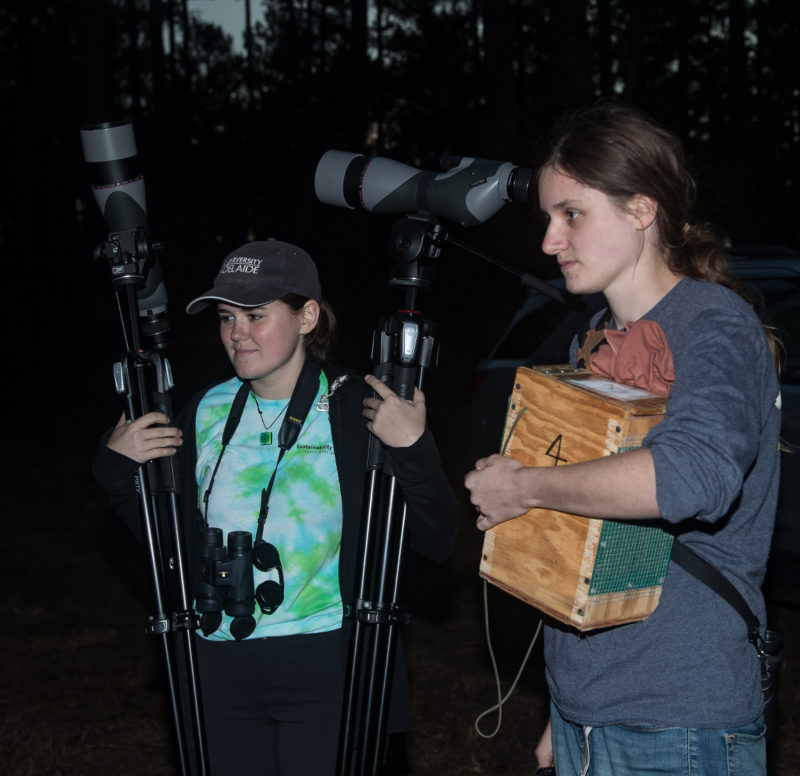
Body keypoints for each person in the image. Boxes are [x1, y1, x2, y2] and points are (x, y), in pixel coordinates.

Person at [465, 101, 781, 776]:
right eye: (548, 218)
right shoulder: (593, 338)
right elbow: (587, 531)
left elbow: (692, 476)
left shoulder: (713, 326)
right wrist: (564, 702)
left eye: (571, 214)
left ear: (642, 210)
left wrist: (523, 486)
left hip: (678, 722)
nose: (550, 241)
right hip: (590, 712)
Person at [94, 238, 460, 775]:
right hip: (217, 659)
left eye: (255, 315)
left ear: (307, 316)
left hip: (325, 662)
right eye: (225, 318)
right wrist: (114, 469)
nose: (236, 333)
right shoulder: (205, 410)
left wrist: (414, 450)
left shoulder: (357, 407)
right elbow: (166, 542)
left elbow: (438, 537)